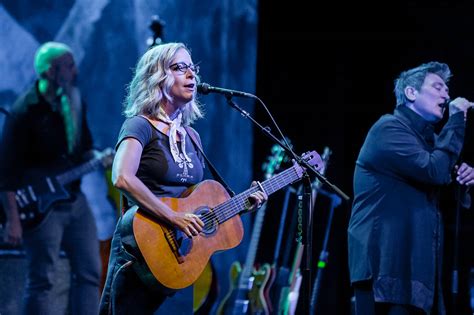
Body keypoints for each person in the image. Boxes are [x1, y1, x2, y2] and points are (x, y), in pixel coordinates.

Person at [98, 42, 271, 314]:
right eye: (180, 68)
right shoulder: (139, 125)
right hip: (141, 250)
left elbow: (194, 204)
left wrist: (242, 206)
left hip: (180, 259)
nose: (192, 75)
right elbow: (122, 177)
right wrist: (173, 216)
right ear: (157, 77)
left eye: (193, 68)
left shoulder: (192, 137)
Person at [348, 61, 474, 315]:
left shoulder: (430, 141)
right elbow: (433, 171)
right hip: (386, 268)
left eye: (446, 89)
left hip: (418, 274)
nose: (446, 95)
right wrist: (457, 118)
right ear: (411, 93)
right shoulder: (387, 129)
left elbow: (440, 186)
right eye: (437, 87)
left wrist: (464, 179)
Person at [0, 42, 101, 314]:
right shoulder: (23, 112)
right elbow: (6, 175)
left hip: (74, 201)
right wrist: (13, 221)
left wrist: (101, 158)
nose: (75, 71)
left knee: (91, 272)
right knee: (42, 280)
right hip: (42, 210)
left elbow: (84, 149)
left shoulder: (76, 101)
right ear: (49, 71)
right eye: (69, 65)